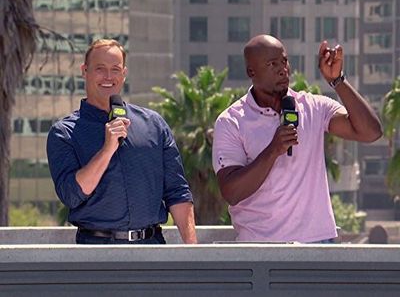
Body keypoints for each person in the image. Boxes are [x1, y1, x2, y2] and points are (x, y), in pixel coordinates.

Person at [212, 34, 382, 243]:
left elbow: (370, 132)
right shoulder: (232, 121)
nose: (283, 69)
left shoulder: (313, 107)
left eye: (284, 61)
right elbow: (232, 192)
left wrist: (337, 81)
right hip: (260, 248)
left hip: (317, 244)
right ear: (251, 71)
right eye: (272, 64)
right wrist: (273, 150)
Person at [47, 39, 197, 244]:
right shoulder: (64, 133)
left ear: (124, 74)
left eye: (115, 69)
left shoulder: (153, 125)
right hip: (96, 251)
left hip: (152, 248)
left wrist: (193, 252)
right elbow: (71, 195)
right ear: (85, 71)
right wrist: (107, 150)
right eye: (100, 69)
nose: (108, 77)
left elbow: (177, 192)